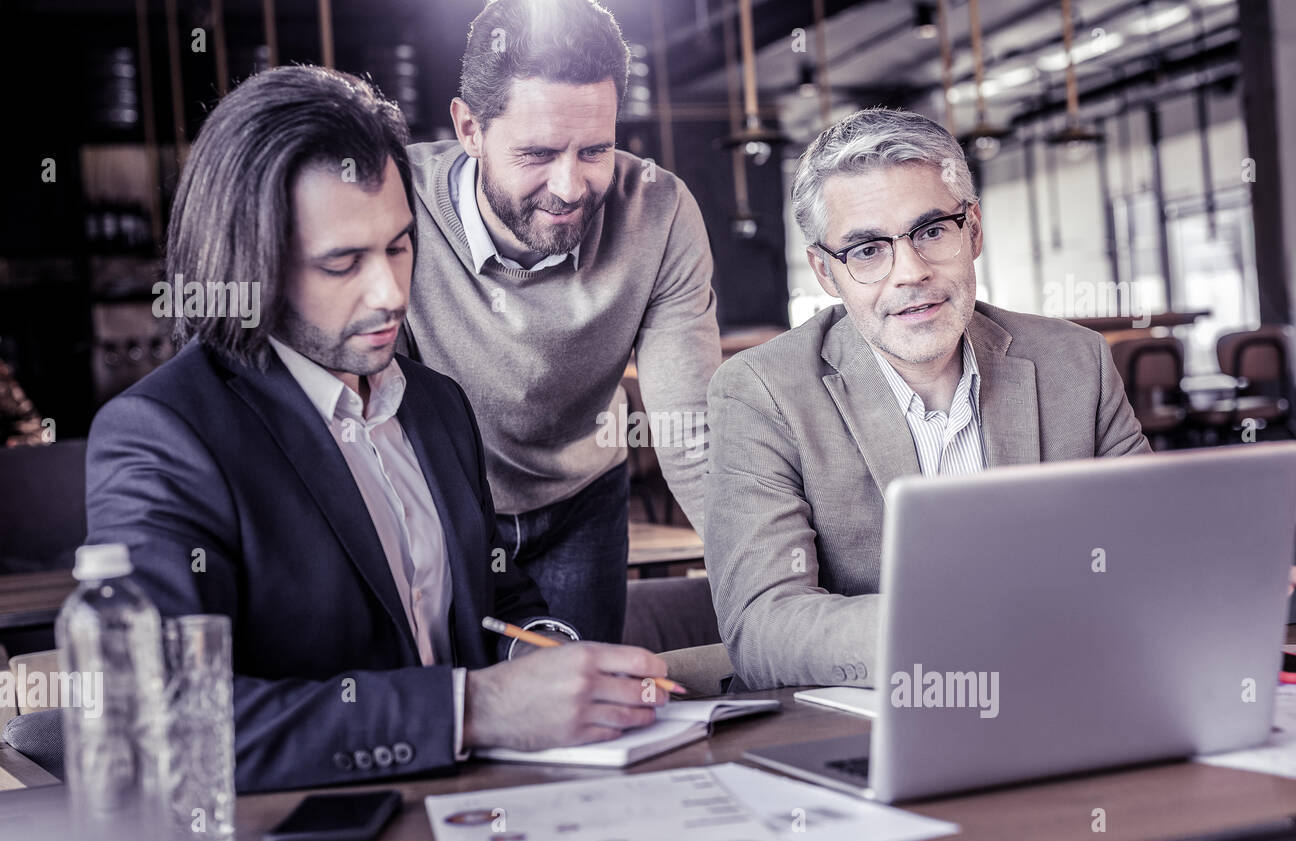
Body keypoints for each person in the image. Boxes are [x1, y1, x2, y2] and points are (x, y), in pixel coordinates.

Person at [83, 66, 672, 793]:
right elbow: (160, 724)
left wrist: (542, 654)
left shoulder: (435, 405)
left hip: (476, 815)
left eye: (398, 246)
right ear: (250, 262)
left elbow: (498, 600)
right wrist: (474, 709)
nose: (392, 292)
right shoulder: (163, 434)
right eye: (342, 263)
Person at [704, 107, 1151, 692]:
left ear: (975, 231)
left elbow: (1148, 549)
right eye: (866, 250)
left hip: (1073, 689)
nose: (910, 272)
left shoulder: (1077, 362)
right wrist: (970, 632)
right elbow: (762, 629)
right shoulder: (760, 394)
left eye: (932, 231)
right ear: (824, 271)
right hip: (888, 714)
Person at [402, 0, 721, 645]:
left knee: (584, 712)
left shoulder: (659, 211)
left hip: (583, 503)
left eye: (595, 149)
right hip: (441, 501)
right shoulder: (394, 202)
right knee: (459, 697)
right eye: (538, 153)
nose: (570, 186)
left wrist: (764, 574)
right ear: (469, 129)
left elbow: (693, 431)